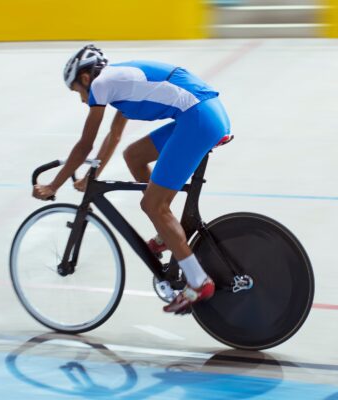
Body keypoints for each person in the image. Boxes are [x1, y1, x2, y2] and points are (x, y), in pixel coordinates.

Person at [32, 45, 231, 314]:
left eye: (78, 91)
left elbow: (84, 145)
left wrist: (52, 185)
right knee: (134, 155)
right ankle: (166, 232)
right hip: (202, 114)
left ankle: (198, 282)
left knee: (152, 206)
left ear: (86, 79)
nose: (81, 100)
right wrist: (94, 174)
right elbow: (114, 136)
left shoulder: (102, 84)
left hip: (198, 118)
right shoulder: (118, 83)